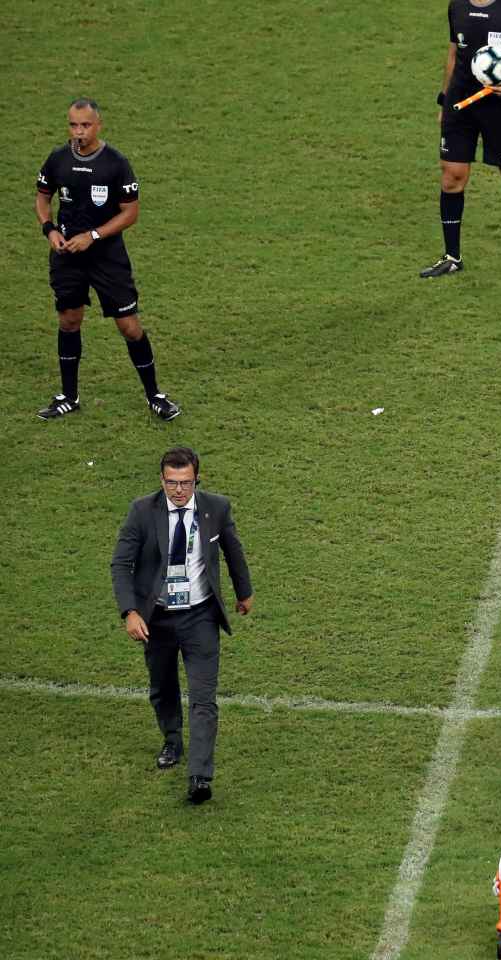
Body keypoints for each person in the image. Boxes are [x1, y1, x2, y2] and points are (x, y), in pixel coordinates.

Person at [111, 447, 254, 805]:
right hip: (156, 618)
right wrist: (130, 611)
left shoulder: (216, 508)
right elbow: (120, 563)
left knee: (204, 698)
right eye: (171, 483)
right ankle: (172, 740)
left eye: (185, 483)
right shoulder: (142, 511)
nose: (178, 490)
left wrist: (244, 591)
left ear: (197, 480)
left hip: (200, 616)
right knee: (162, 688)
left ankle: (200, 776)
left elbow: (233, 551)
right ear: (161, 480)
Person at [36, 98, 180, 422]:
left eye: (85, 125)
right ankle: (69, 396)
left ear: (98, 125)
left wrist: (94, 236)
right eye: (73, 125)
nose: (79, 132)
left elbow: (131, 213)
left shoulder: (116, 163)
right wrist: (49, 230)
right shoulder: (58, 159)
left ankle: (154, 395)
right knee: (69, 321)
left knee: (129, 327)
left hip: (107, 258)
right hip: (67, 256)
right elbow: (43, 196)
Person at [421, 0, 501, 277]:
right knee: (452, 176)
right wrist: (444, 101)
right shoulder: (457, 7)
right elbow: (453, 55)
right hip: (461, 106)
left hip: (500, 109)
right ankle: (452, 257)